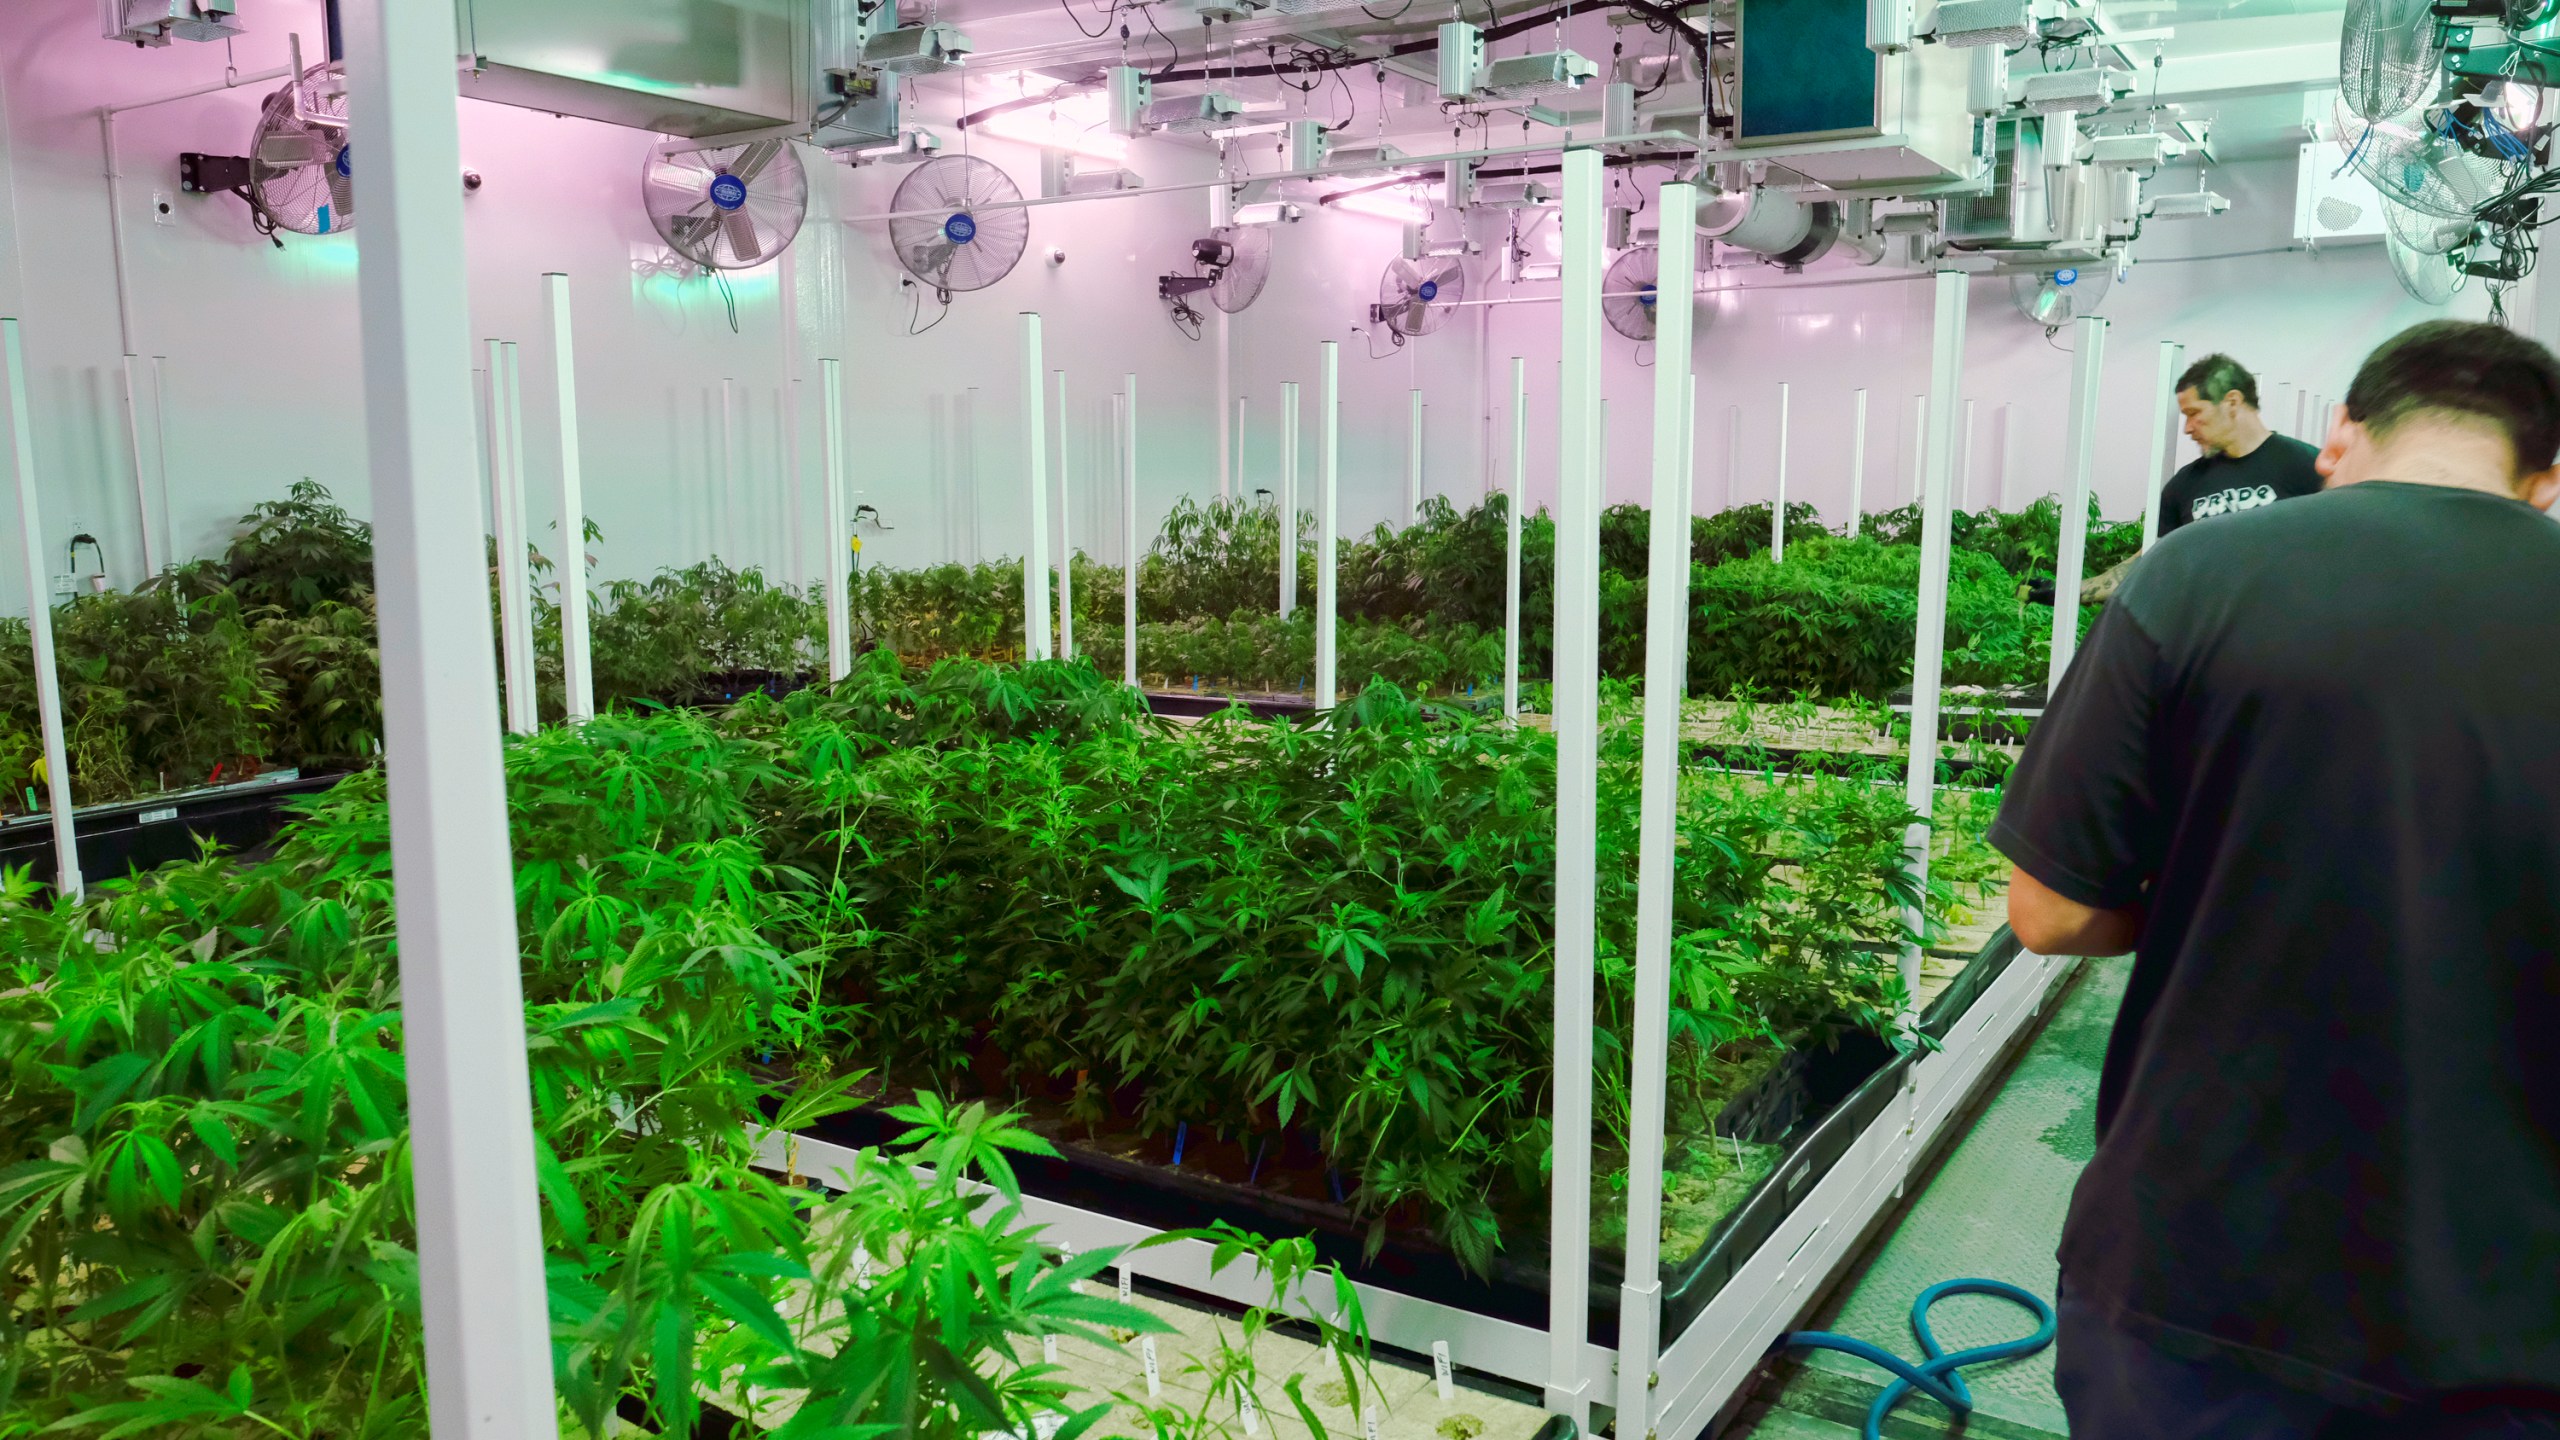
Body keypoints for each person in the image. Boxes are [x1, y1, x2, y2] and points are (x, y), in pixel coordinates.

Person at [1993, 319, 2560, 1435]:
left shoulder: (2194, 577)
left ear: (2340, 433)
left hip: (2199, 1276)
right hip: (2503, 1320)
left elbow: (2048, 911)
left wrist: (2215, 891)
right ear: (2544, 480)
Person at [2155, 353, 2326, 537]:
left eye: (2194, 413)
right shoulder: (2182, 486)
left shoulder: (2310, 467)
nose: (2187, 428)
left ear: (2232, 402)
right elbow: (2159, 556)